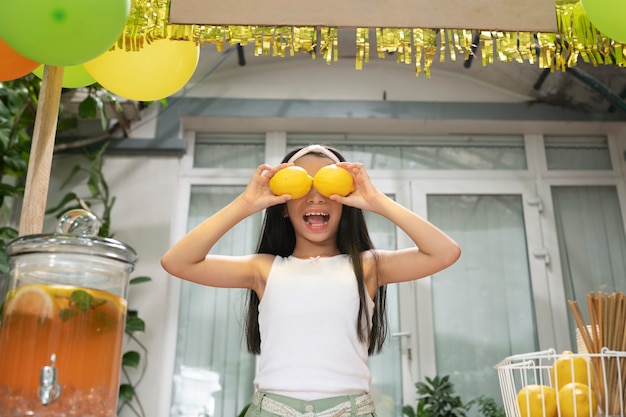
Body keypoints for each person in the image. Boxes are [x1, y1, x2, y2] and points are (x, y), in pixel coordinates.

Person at [161, 144, 461, 417]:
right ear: (283, 205)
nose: (315, 195)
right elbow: (177, 261)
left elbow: (444, 252)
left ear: (345, 204)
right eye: (303, 184)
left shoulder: (367, 267)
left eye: (326, 184)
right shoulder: (264, 269)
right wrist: (246, 203)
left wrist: (375, 200)